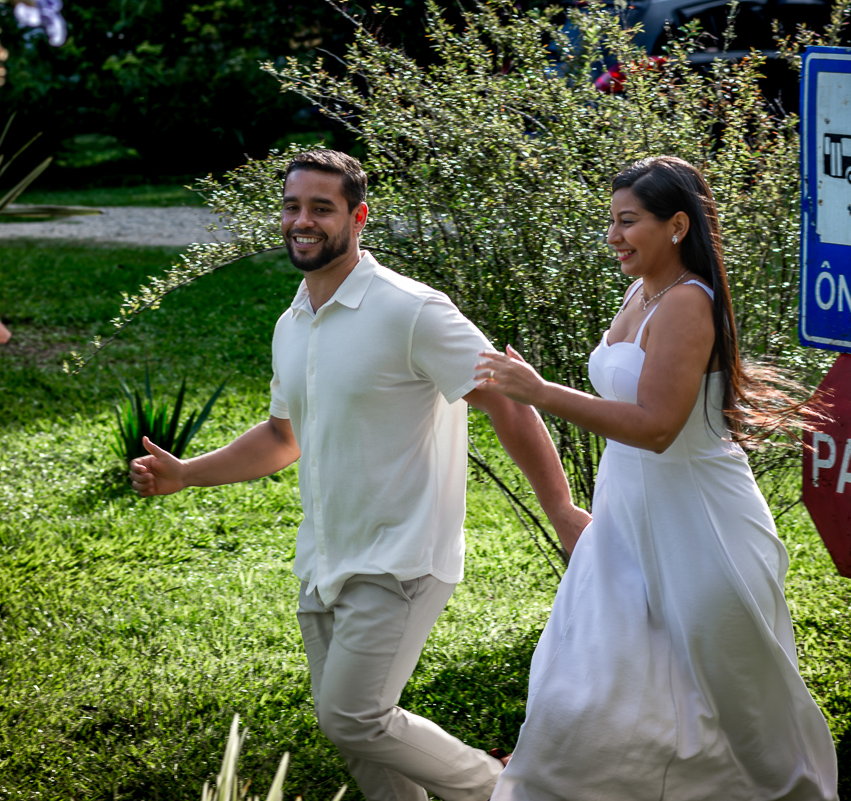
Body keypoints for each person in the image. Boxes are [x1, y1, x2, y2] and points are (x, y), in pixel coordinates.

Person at [129, 150, 590, 801]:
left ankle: (512, 792)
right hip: (324, 558)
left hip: (402, 556)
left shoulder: (411, 309)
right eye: (293, 207)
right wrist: (188, 474)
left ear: (358, 216)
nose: (302, 220)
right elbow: (282, 436)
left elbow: (507, 399)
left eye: (321, 207)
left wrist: (561, 506)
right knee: (357, 734)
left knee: (352, 715)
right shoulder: (293, 323)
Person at [476, 156, 839, 800]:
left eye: (627, 222)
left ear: (677, 225)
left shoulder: (688, 304)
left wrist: (537, 392)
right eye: (610, 222)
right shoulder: (641, 290)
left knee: (738, 697)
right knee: (586, 677)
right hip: (626, 518)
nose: (613, 236)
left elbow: (656, 427)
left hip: (698, 522)